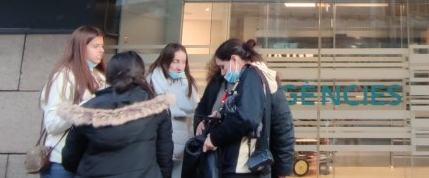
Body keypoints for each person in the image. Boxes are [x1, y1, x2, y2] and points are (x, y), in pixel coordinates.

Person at [59, 51, 176, 178]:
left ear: (109, 75)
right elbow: (164, 156)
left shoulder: (88, 109)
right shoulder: (156, 108)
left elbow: (70, 158)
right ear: (140, 73)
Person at [193, 38, 278, 178]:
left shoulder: (250, 75)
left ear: (234, 59)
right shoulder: (249, 77)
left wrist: (214, 138)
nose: (221, 73)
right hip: (241, 164)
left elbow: (246, 118)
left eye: (222, 66)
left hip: (242, 165)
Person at [40, 26, 107, 178]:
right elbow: (52, 123)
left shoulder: (101, 77)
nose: (101, 50)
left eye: (102, 46)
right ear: (80, 48)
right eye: (95, 46)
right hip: (61, 160)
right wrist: (86, 108)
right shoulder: (63, 76)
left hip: (90, 160)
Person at [147, 43, 202, 176]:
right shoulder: (152, 81)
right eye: (175, 61)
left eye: (183, 62)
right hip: (159, 142)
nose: (180, 67)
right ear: (165, 60)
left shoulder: (186, 82)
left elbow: (195, 107)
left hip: (183, 143)